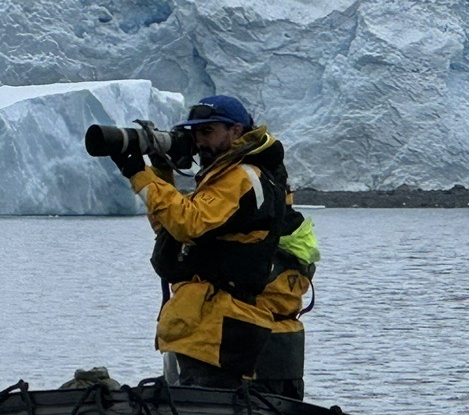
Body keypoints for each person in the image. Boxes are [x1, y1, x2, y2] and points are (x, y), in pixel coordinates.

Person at [106, 94, 317, 398]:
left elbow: (189, 223)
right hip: (203, 328)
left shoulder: (242, 176)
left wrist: (140, 174)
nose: (199, 142)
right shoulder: (228, 174)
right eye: (195, 134)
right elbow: (174, 228)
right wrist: (160, 172)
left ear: (235, 131)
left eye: (208, 132)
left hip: (217, 331)